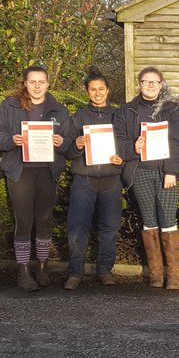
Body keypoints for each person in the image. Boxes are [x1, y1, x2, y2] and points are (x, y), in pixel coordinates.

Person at [0, 64, 70, 292]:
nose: (37, 86)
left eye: (41, 82)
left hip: (47, 170)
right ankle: (23, 270)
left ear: (48, 84)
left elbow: (70, 140)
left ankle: (42, 267)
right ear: (25, 83)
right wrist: (11, 140)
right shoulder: (9, 106)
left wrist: (62, 142)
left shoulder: (59, 110)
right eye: (32, 82)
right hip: (20, 170)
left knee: (44, 220)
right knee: (24, 221)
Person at [114, 67, 179, 290]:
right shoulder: (126, 110)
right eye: (146, 82)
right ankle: (156, 274)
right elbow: (119, 140)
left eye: (155, 82)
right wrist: (133, 148)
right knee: (149, 221)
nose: (150, 86)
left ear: (161, 84)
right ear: (139, 84)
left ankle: (174, 276)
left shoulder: (172, 109)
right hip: (140, 171)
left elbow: (178, 141)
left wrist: (172, 171)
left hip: (165, 172)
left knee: (168, 221)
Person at [60, 68, 124, 290]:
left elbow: (126, 146)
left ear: (108, 90)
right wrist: (76, 145)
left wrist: (121, 159)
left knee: (109, 227)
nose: (97, 93)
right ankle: (75, 273)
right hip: (84, 178)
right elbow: (67, 151)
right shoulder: (78, 118)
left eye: (101, 89)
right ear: (87, 92)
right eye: (93, 89)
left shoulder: (119, 116)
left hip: (111, 178)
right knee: (77, 226)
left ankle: (105, 271)